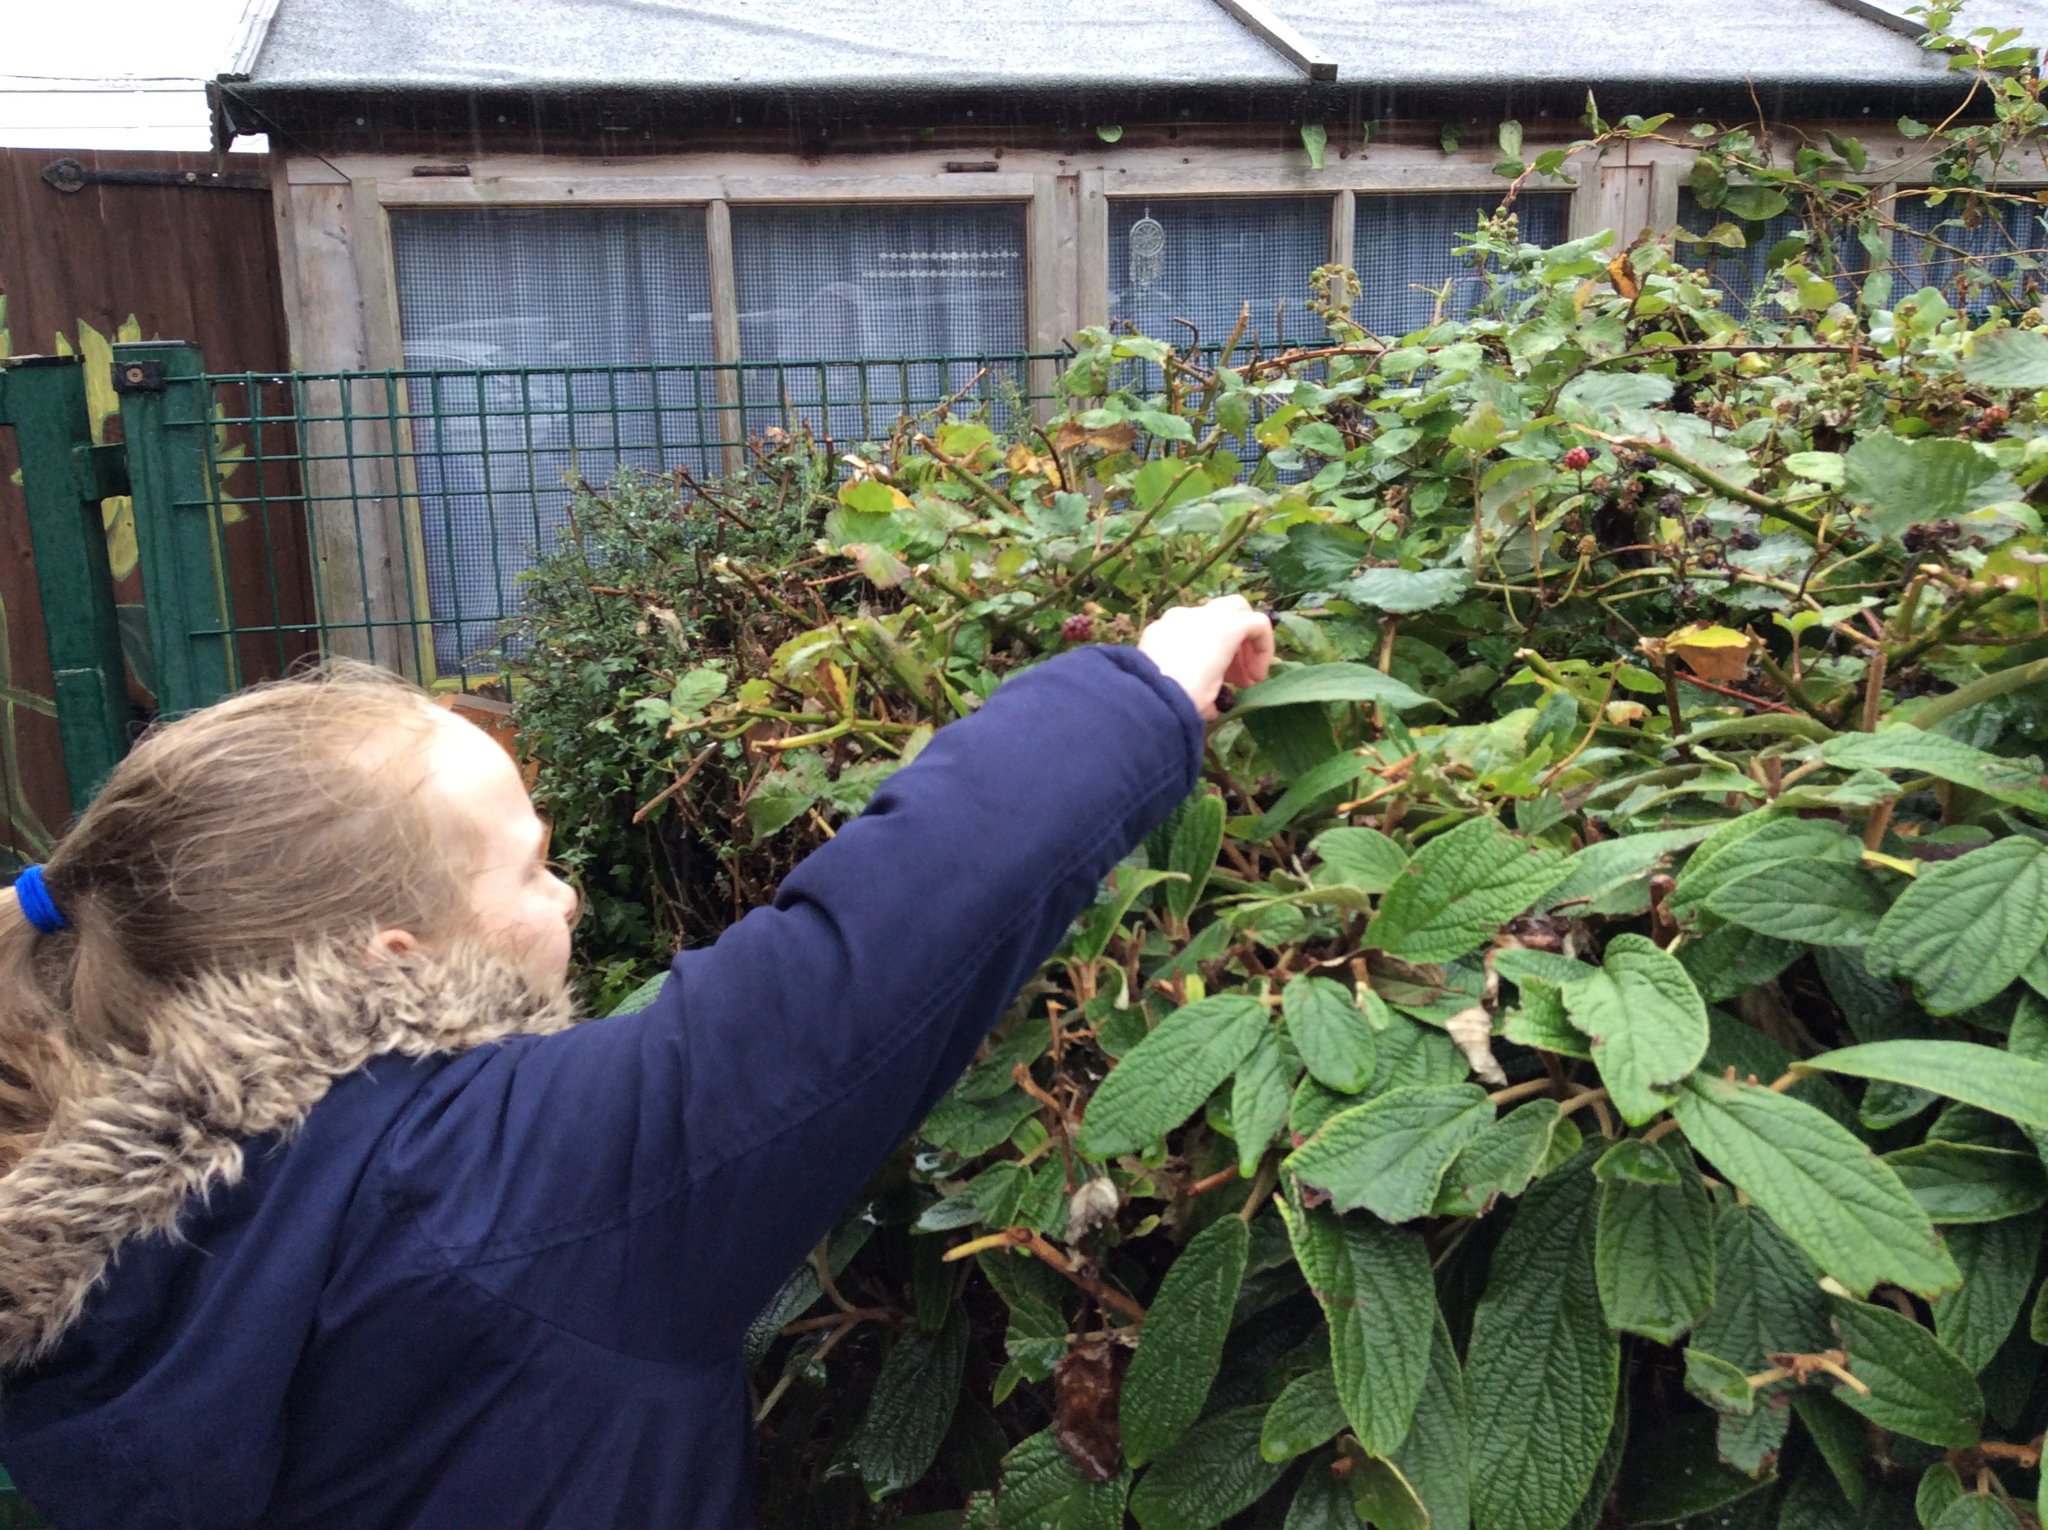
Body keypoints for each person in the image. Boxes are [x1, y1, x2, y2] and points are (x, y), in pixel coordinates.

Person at [0, 596, 1275, 1528]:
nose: (570, 895)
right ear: (391, 957)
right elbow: (855, 964)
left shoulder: (95, 1258)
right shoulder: (509, 1192)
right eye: (529, 864)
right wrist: (1145, 689)